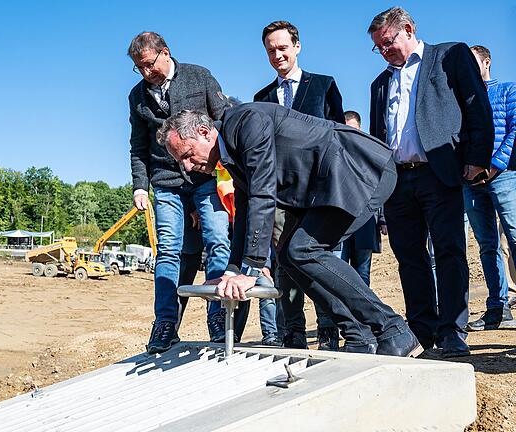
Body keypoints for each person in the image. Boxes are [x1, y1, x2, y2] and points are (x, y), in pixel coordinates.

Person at [158, 104, 423, 357]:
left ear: (204, 132)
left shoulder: (246, 122)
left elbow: (263, 193)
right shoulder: (229, 153)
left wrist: (252, 268)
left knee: (304, 249)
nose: (188, 167)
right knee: (288, 254)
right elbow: (244, 209)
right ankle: (358, 334)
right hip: (327, 187)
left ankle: (393, 329)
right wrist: (234, 268)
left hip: (359, 169)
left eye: (187, 155)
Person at [367, 7, 494, 358]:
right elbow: (380, 136)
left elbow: (477, 107)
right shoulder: (379, 84)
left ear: (407, 29)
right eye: (378, 47)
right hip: (397, 180)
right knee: (409, 258)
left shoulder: (448, 57)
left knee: (449, 251)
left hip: (438, 173)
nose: (384, 51)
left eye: (388, 42)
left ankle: (454, 330)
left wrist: (477, 157)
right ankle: (422, 330)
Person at [127, 31, 231, 354]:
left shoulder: (200, 77)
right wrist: (140, 186)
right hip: (166, 183)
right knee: (168, 249)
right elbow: (139, 146)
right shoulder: (137, 97)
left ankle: (217, 317)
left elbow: (223, 122)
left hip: (205, 178)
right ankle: (166, 323)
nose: (146, 73)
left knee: (218, 240)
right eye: (138, 68)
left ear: (165, 53)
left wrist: (229, 175)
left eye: (148, 65)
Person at [248, 20, 346, 351]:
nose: (277, 55)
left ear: (297, 46)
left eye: (282, 48)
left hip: (320, 192)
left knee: (321, 260)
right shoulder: (261, 98)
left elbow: (340, 137)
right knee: (285, 264)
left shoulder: (323, 85)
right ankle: (293, 334)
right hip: (282, 196)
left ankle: (329, 331)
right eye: (270, 50)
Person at [464, 45, 516, 331]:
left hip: (504, 175)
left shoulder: (508, 91)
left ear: (487, 62)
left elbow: (514, 128)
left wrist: (495, 164)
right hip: (471, 183)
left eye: (475, 62)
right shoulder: (463, 100)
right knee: (487, 246)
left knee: (515, 237)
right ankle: (498, 308)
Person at [339, 111, 387, 287]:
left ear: (360, 128)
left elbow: (381, 187)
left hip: (365, 222)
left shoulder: (371, 151)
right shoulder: (336, 151)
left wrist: (382, 218)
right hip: (339, 223)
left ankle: (363, 314)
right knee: (340, 270)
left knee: (362, 272)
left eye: (353, 128)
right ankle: (344, 314)